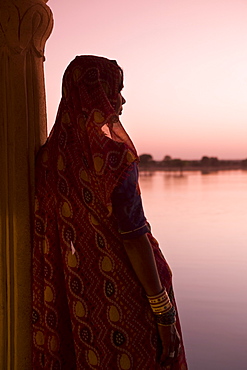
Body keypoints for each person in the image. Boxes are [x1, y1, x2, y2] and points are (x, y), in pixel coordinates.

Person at [32, 55, 188, 370]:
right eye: (116, 89)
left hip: (80, 296)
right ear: (97, 93)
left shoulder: (48, 161)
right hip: (129, 295)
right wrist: (163, 312)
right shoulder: (113, 159)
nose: (121, 99)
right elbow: (134, 237)